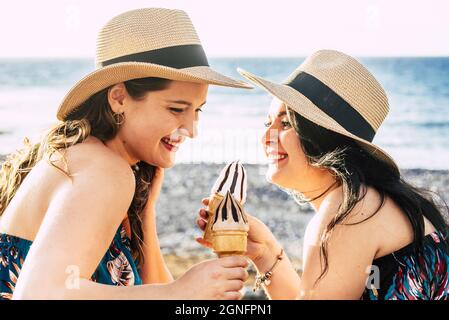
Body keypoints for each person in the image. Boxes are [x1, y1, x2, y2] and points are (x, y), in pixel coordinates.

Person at [0, 8, 252, 300]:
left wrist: (145, 212)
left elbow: (154, 287)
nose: (191, 129)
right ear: (119, 98)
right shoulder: (102, 170)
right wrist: (179, 290)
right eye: (176, 109)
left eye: (197, 110)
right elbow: (38, 294)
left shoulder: (94, 161)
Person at [196, 50, 449, 300]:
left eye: (285, 124)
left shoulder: (346, 215)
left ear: (323, 136)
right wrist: (265, 252)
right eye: (267, 123)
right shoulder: (375, 203)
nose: (265, 137)